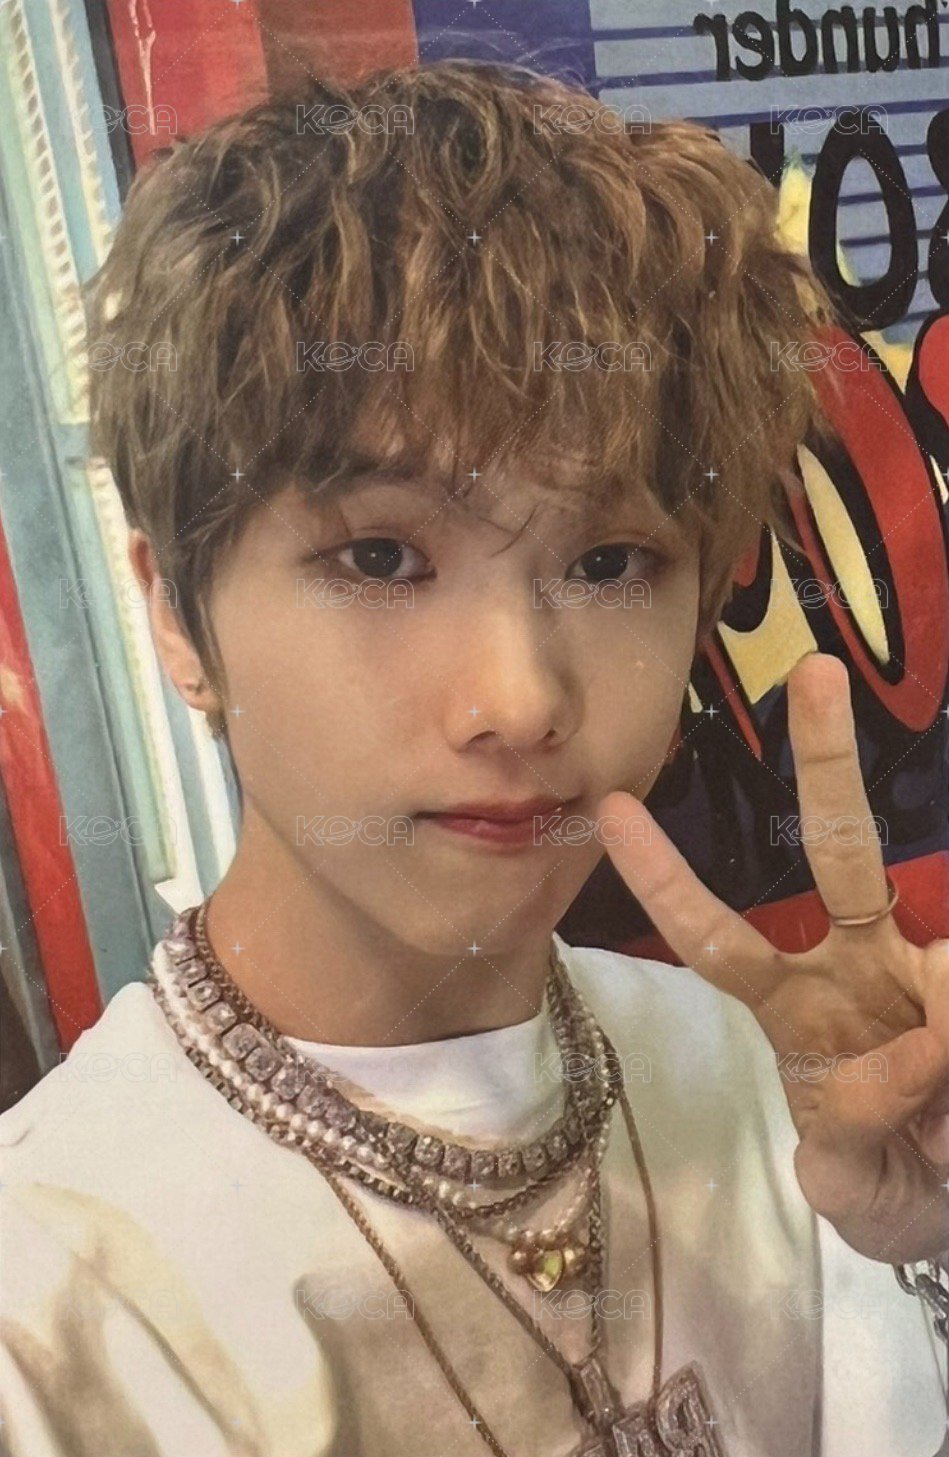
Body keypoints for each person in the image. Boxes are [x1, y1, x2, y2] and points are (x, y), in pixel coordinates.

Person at [0, 58, 945, 1457]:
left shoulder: (777, 1082)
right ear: (176, 617)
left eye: (608, 561)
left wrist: (925, 1245)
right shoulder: (54, 1294)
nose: (521, 698)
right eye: (381, 557)